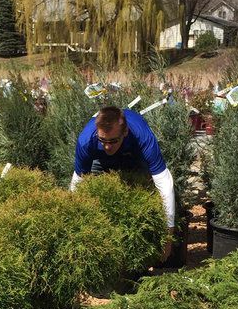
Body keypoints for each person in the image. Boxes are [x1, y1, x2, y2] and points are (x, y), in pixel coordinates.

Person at [69, 105, 175, 260]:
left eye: (113, 141)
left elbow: (165, 183)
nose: (107, 146)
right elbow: (78, 184)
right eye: (102, 140)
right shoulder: (86, 140)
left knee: (145, 195)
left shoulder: (142, 136)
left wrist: (168, 239)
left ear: (125, 132)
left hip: (134, 155)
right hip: (100, 160)